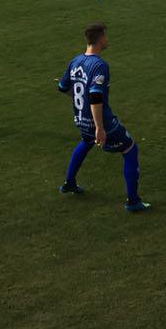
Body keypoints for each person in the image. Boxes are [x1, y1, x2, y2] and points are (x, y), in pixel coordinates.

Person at [57, 22, 149, 212]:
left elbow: (63, 88)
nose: (107, 39)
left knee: (86, 141)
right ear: (99, 39)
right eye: (105, 36)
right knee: (130, 150)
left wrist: (79, 97)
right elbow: (96, 96)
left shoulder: (75, 61)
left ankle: (69, 182)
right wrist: (100, 126)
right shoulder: (99, 65)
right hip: (101, 122)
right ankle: (133, 202)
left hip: (80, 119)